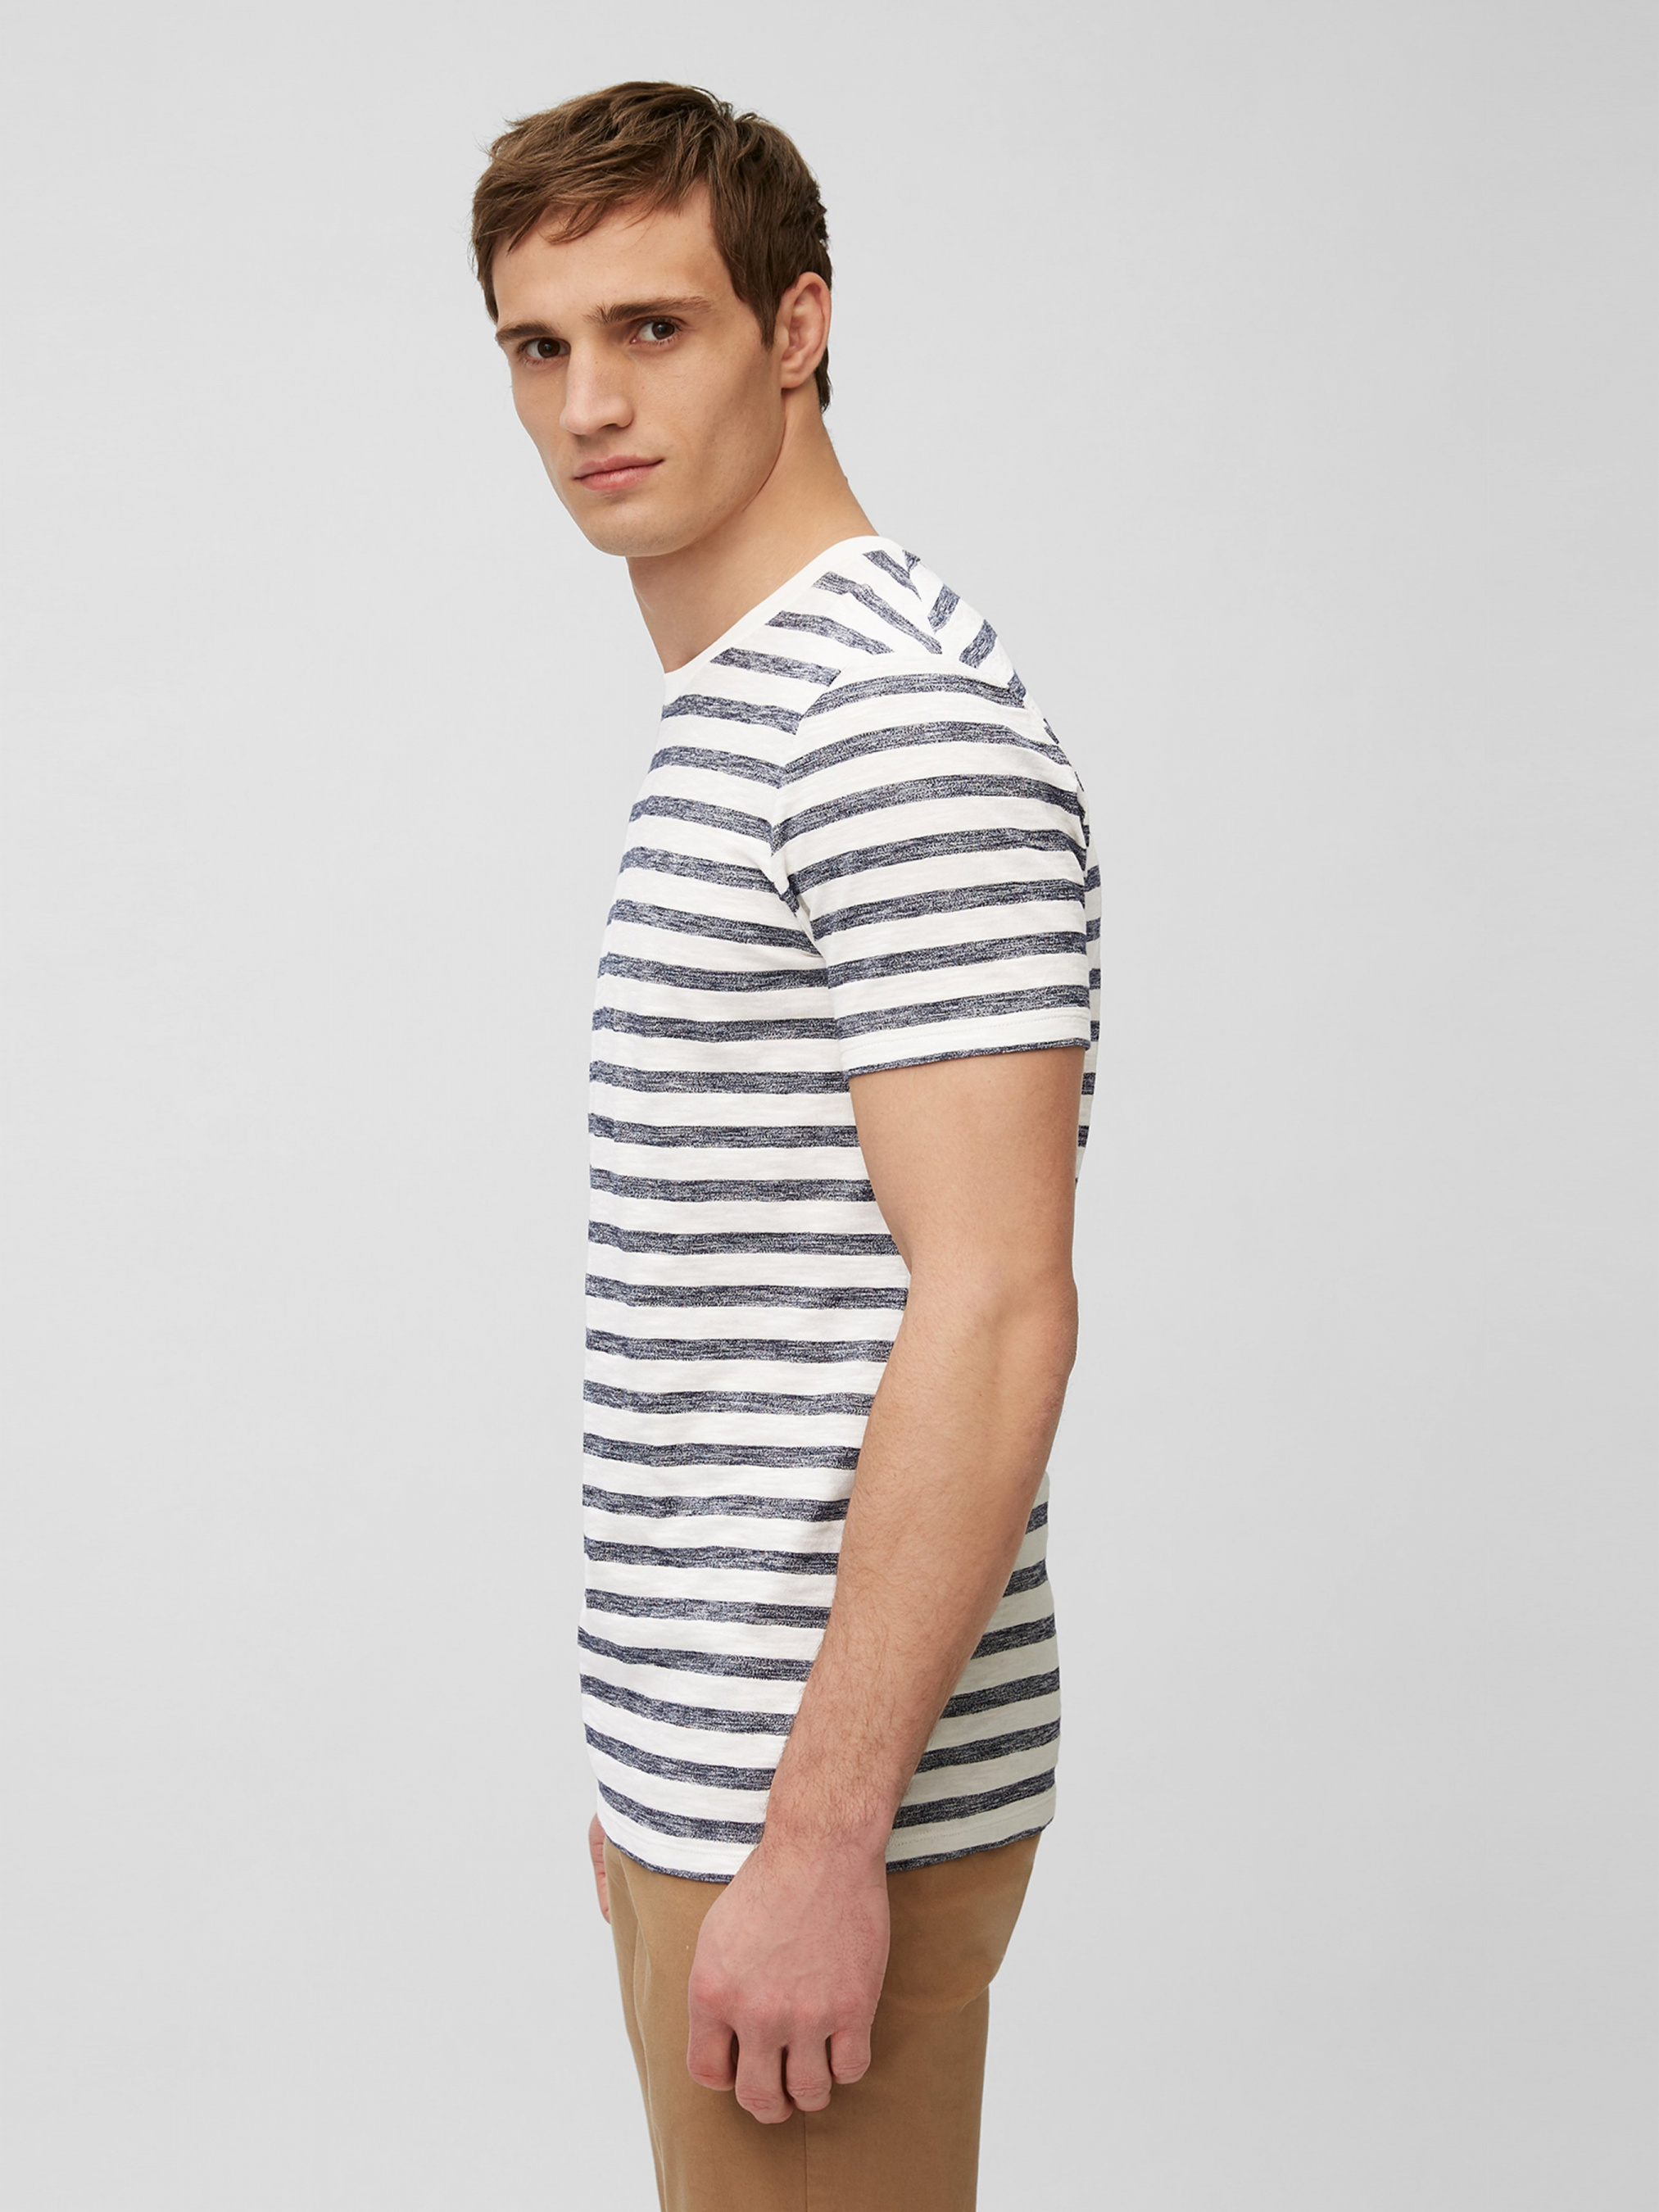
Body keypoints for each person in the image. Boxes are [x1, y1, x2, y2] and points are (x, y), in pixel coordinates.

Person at [470, 79, 1100, 2212]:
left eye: (652, 327)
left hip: (826, 1820)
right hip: (720, 1786)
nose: (585, 403)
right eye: (537, 344)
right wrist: (668, 1779)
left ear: (798, 326)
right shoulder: (745, 701)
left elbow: (995, 1307)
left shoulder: (886, 719)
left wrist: (816, 1835)